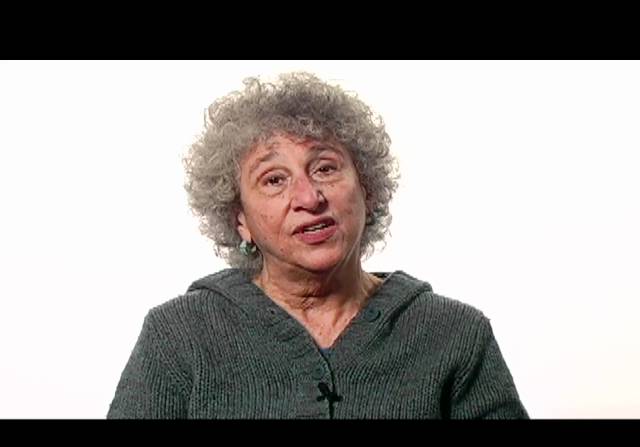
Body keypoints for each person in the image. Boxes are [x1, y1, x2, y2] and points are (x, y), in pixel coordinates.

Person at [107, 72, 528, 419]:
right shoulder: (179, 337)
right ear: (241, 220)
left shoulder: (455, 334)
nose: (308, 198)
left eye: (325, 168)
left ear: (367, 189)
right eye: (274, 179)